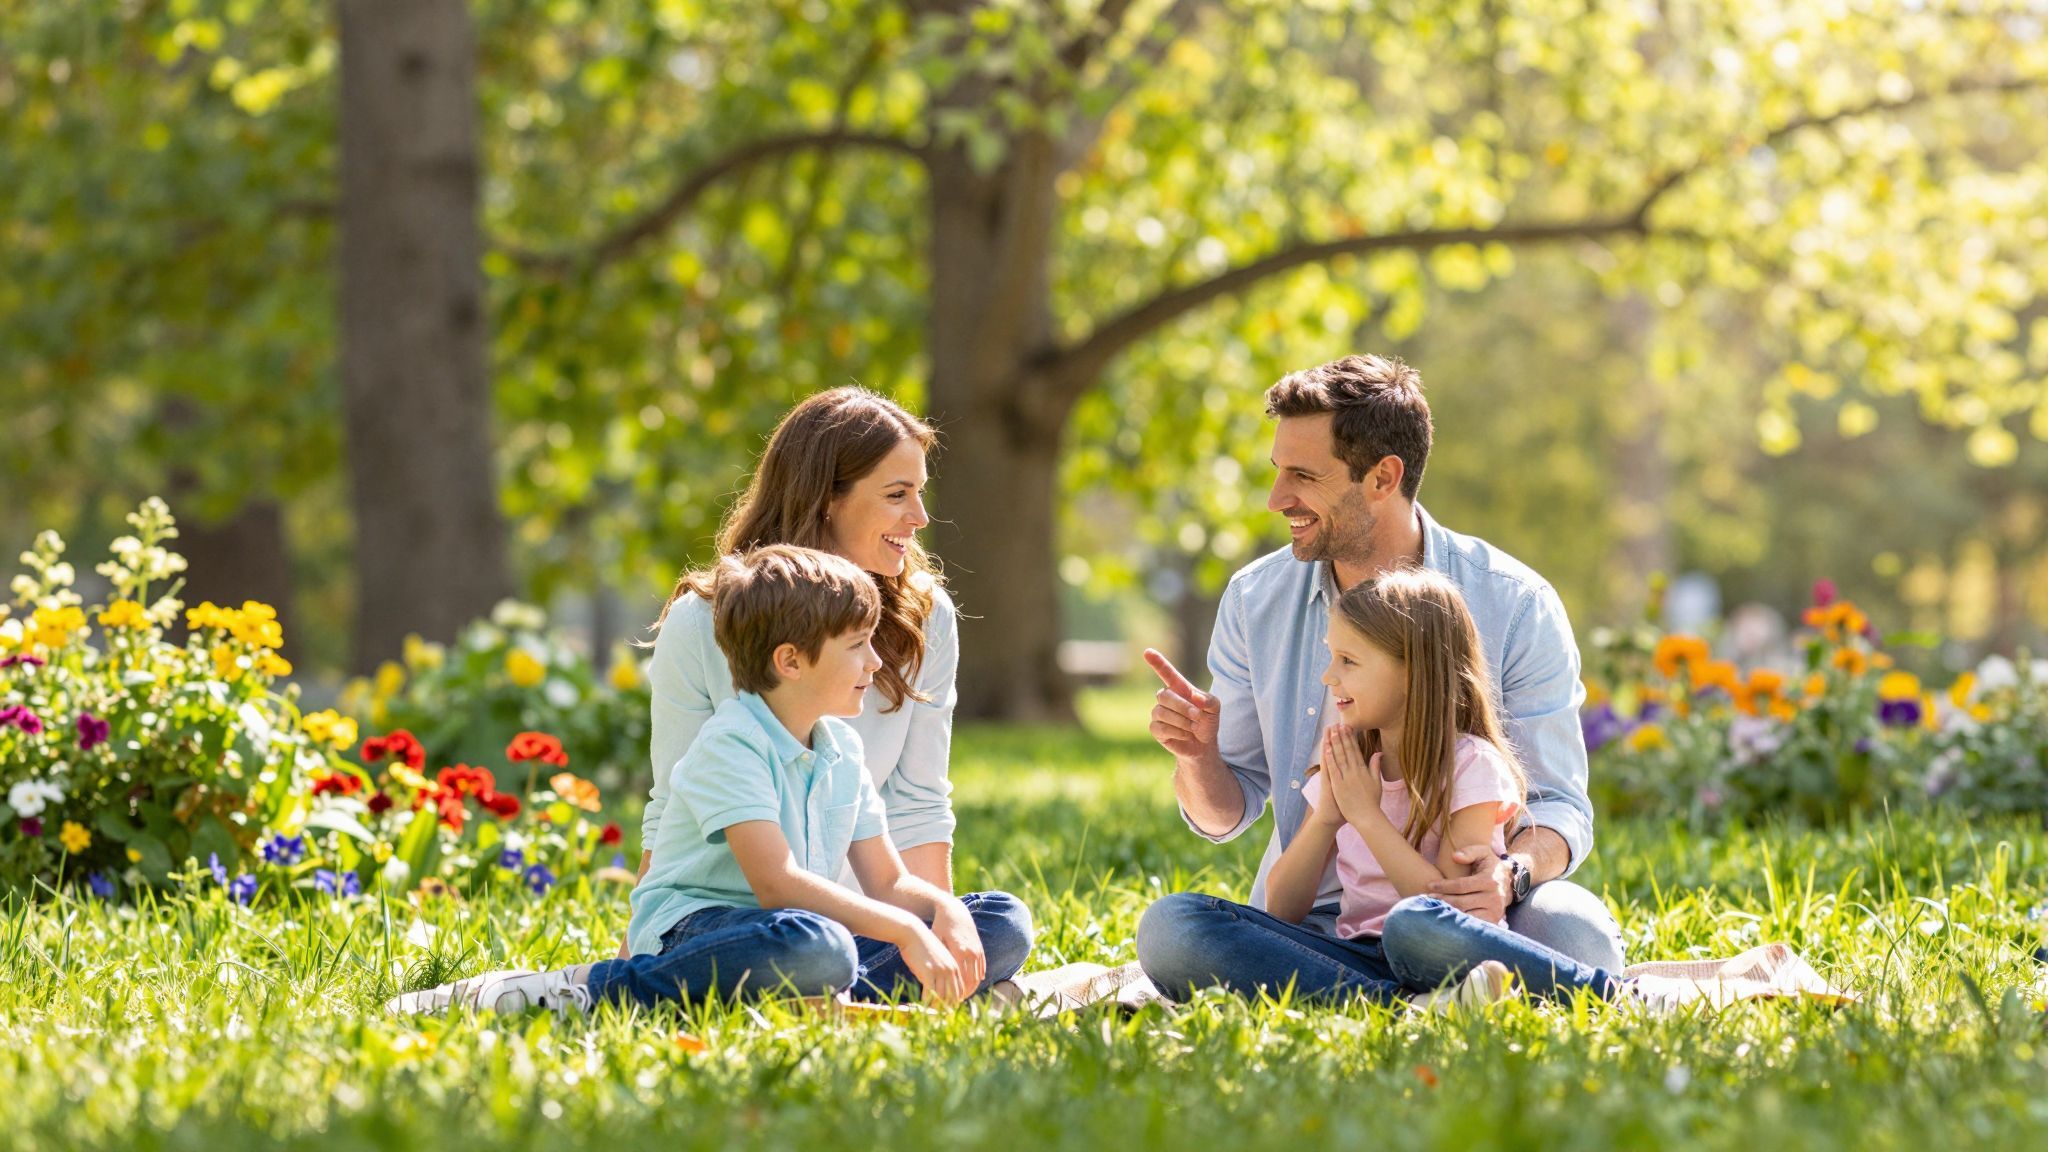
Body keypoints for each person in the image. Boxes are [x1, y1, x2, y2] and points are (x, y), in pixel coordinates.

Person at [1137, 354, 1625, 991]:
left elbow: (1560, 808)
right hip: (1314, 922)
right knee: (1172, 930)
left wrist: (1509, 877)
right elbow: (1226, 813)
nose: (1276, 498)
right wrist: (1199, 758)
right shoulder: (1255, 600)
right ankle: (1418, 1000)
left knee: (1574, 931)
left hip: (1467, 915)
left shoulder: (1516, 602)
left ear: (1383, 478)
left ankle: (1372, 994)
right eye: (1277, 472)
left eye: (1303, 476)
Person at [389, 546, 1031, 1015]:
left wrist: (940, 913)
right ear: (791, 661)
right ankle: (598, 988)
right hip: (702, 928)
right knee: (817, 946)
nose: (876, 661)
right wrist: (904, 932)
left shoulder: (840, 750)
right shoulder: (731, 741)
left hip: (785, 936)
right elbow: (776, 885)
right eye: (858, 645)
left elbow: (888, 882)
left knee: (1000, 922)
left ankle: (807, 1000)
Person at [1143, 570, 1670, 1008]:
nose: (1330, 677)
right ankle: (1405, 1007)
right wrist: (1328, 816)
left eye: (1348, 661)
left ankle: (1614, 996)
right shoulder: (1348, 763)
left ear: (1414, 672)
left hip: (1440, 945)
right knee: (1172, 923)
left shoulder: (1472, 767)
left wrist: (1367, 818)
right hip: (1353, 956)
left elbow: (1448, 905)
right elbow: (1282, 909)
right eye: (1332, 657)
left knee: (1410, 924)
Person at [622, 387, 961, 958]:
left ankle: (848, 982)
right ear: (826, 498)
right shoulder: (701, 622)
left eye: (920, 493)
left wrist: (942, 938)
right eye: (897, 495)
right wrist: (640, 953)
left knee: (1001, 921)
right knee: (807, 947)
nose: (921, 517)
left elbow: (919, 803)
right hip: (740, 920)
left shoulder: (925, 616)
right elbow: (670, 802)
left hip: (862, 917)